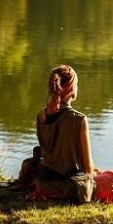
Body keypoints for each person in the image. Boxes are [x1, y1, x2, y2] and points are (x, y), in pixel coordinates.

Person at [32, 65, 95, 203]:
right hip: (70, 185)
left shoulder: (41, 115)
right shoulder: (79, 119)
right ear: (72, 88)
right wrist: (94, 175)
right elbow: (88, 168)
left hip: (44, 181)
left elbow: (46, 154)